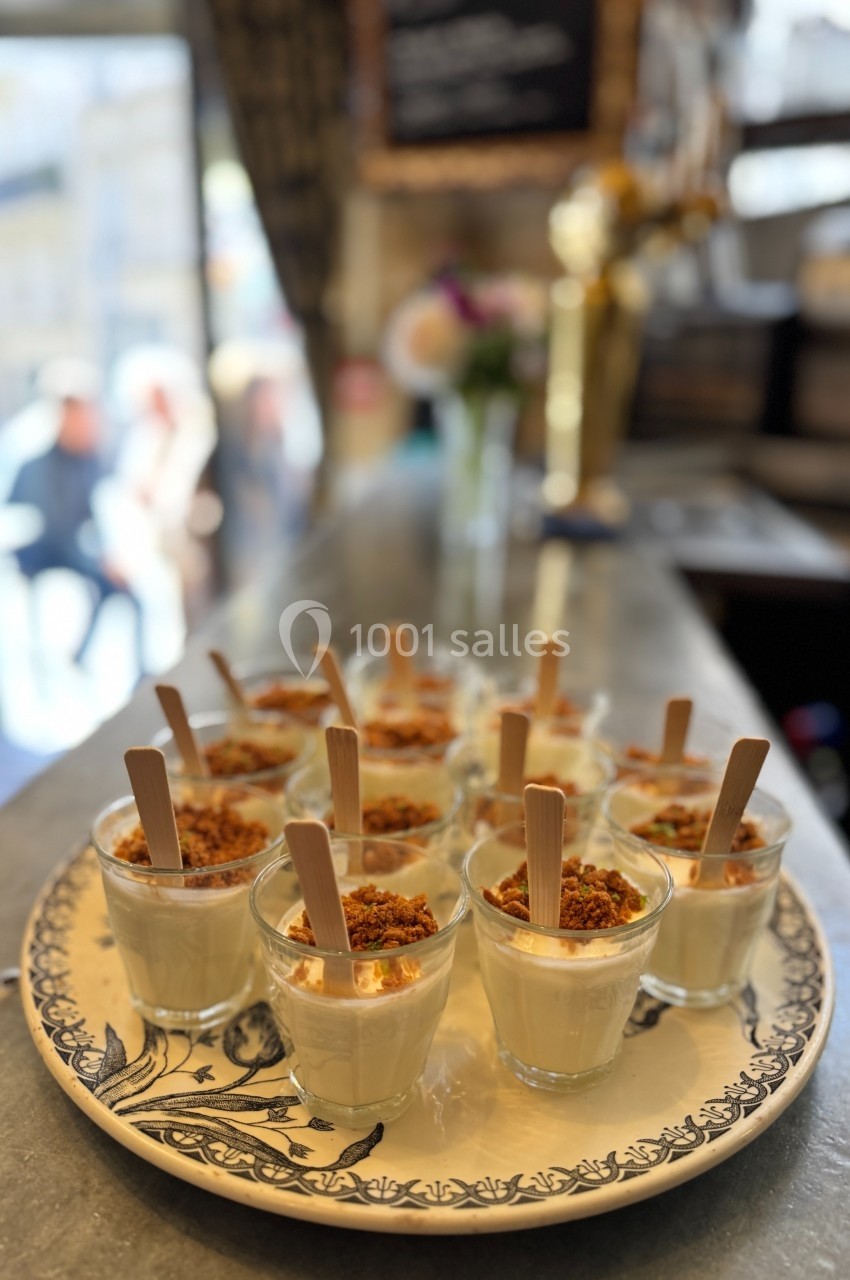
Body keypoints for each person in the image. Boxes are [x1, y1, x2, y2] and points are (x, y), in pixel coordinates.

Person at [8, 364, 142, 668]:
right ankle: (61, 657)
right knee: (104, 579)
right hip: (39, 549)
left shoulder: (88, 455)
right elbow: (54, 526)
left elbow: (96, 512)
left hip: (75, 545)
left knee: (128, 590)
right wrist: (98, 562)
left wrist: (110, 553)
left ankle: (94, 657)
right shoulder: (37, 458)